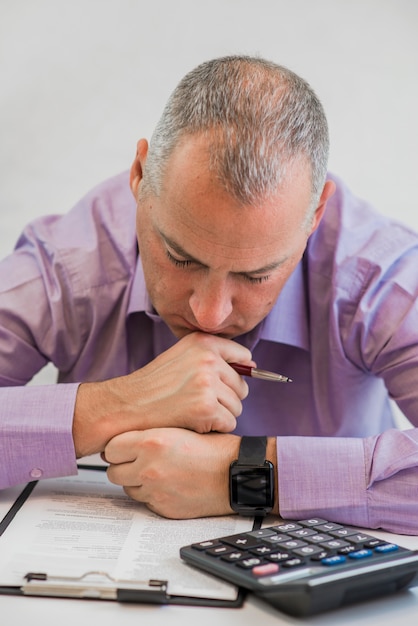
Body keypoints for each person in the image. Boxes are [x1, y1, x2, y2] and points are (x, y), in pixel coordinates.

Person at [1, 55, 418, 535]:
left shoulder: (375, 278)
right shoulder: (73, 266)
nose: (210, 313)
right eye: (180, 258)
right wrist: (115, 404)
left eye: (257, 274)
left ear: (317, 214)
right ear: (139, 176)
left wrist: (245, 475)